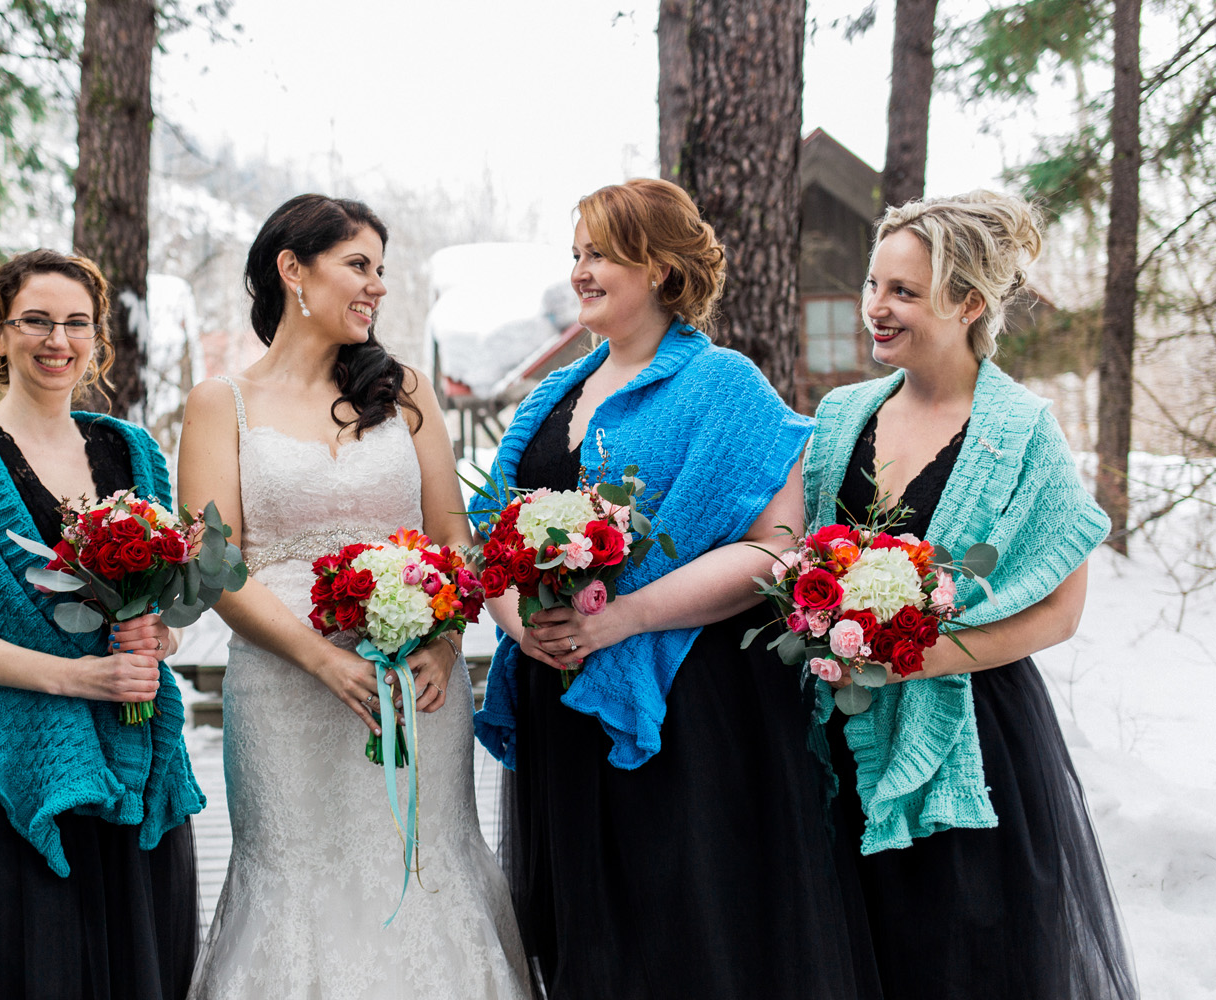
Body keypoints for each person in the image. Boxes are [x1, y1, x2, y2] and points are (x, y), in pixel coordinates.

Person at [469, 178, 873, 999]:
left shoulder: (722, 384)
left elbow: (779, 546)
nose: (581, 271)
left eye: (602, 254)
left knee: (682, 931)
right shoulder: (552, 395)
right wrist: (520, 629)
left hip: (687, 701)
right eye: (575, 254)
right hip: (560, 698)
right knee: (586, 936)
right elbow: (490, 537)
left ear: (658, 268)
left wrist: (625, 618)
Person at [178, 194, 529, 999]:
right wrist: (318, 661)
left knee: (422, 862)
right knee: (295, 874)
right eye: (358, 266)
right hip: (282, 686)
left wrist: (442, 644)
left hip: (416, 686)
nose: (376, 287)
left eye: (382, 270)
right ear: (292, 269)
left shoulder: (404, 391)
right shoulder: (220, 403)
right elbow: (217, 563)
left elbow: (452, 538)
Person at [806, 190, 1138, 999]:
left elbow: (1061, 609)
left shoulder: (1020, 429)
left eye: (904, 293)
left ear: (969, 304)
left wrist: (914, 661)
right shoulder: (840, 415)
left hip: (971, 735)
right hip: (838, 728)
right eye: (874, 285)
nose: (876, 309)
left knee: (960, 956)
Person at [0, 250, 203, 999]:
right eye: (36, 322)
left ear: (97, 335)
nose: (59, 340)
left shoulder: (134, 452)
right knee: (28, 961)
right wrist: (74, 675)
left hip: (129, 739)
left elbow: (162, 602)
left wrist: (156, 633)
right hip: (11, 752)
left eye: (77, 322)